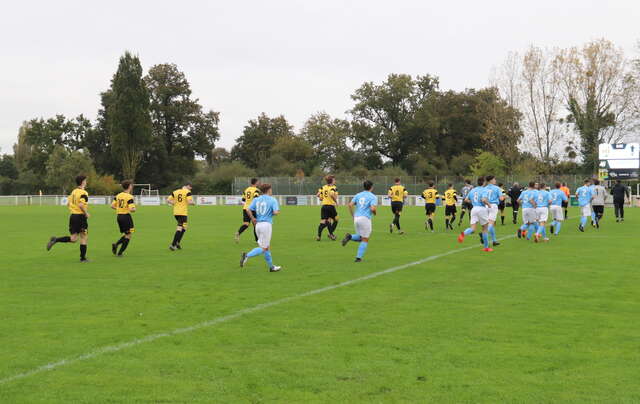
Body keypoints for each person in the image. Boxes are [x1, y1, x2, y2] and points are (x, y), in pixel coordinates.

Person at [46, 175, 91, 262]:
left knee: (73, 239)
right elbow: (81, 205)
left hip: (73, 216)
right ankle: (83, 258)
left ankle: (56, 240)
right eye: (85, 181)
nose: (86, 182)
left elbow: (68, 203)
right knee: (84, 237)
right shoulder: (84, 193)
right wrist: (86, 213)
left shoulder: (73, 192)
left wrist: (73, 209)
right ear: (82, 182)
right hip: (80, 217)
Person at [240, 183, 281, 272]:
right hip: (266, 225)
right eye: (271, 189)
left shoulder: (257, 199)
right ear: (269, 190)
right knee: (264, 248)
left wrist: (253, 218)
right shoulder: (272, 200)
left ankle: (271, 267)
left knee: (266, 247)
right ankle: (246, 255)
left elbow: (247, 209)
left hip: (258, 225)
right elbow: (276, 212)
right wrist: (275, 212)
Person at [342, 180, 377, 262]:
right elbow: (372, 208)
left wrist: (353, 215)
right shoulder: (373, 196)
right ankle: (358, 258)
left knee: (360, 237)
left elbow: (350, 205)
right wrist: (375, 212)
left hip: (357, 218)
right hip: (365, 219)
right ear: (371, 187)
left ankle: (349, 237)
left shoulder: (358, 195)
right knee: (365, 239)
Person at [457, 177, 492, 252]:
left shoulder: (473, 190)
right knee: (485, 229)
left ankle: (463, 234)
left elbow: (466, 199)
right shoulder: (484, 189)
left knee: (473, 228)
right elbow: (483, 199)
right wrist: (489, 205)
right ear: (484, 183)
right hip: (481, 209)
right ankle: (486, 247)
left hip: (474, 209)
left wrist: (473, 202)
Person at [111, 180, 136, 257]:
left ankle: (116, 244)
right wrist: (134, 209)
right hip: (126, 217)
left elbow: (112, 206)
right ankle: (120, 253)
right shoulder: (129, 197)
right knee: (129, 235)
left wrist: (119, 209)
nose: (131, 186)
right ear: (129, 186)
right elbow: (132, 209)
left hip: (119, 217)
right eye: (131, 185)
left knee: (126, 234)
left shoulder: (118, 195)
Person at [167, 182, 194, 250]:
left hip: (176, 213)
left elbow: (168, 200)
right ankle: (173, 244)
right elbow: (190, 202)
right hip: (182, 213)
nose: (191, 188)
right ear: (187, 186)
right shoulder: (188, 192)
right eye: (190, 187)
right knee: (179, 228)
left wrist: (173, 203)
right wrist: (193, 203)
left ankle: (177, 243)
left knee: (184, 227)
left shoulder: (175, 191)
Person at [235, 178, 260, 242]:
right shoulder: (256, 190)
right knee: (255, 224)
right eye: (258, 182)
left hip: (245, 208)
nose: (258, 183)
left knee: (246, 224)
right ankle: (257, 240)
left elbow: (243, 199)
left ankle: (238, 232)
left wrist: (248, 201)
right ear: (256, 183)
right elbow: (256, 198)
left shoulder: (246, 189)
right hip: (253, 209)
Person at [316, 175, 339, 241]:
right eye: (334, 180)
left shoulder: (323, 187)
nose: (335, 181)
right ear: (332, 181)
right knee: (336, 219)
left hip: (324, 206)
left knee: (324, 221)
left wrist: (322, 197)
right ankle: (331, 234)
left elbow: (318, 195)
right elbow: (332, 194)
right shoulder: (333, 187)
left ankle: (318, 236)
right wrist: (336, 201)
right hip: (330, 206)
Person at [484, 176, 503, 246]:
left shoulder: (485, 188)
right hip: (493, 206)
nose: (495, 180)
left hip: (486, 206)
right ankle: (484, 233)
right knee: (491, 223)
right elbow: (501, 198)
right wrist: (503, 196)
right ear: (491, 180)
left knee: (490, 224)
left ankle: (494, 241)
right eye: (494, 179)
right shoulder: (497, 188)